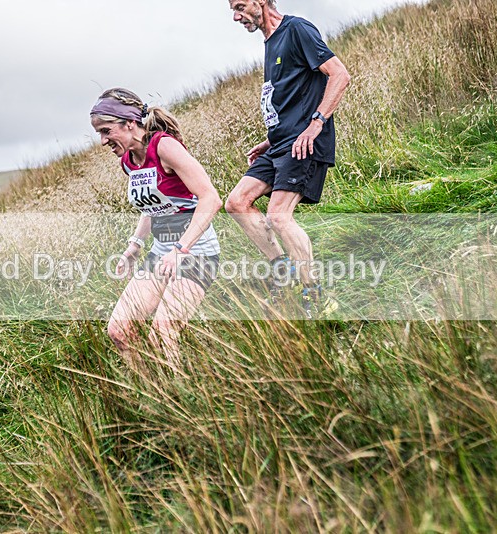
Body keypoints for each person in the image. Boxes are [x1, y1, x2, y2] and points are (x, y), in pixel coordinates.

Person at [225, 0, 351, 318]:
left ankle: (315, 296)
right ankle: (284, 274)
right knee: (237, 202)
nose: (236, 16)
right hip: (280, 144)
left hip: (304, 143)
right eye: (232, 9)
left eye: (239, 6)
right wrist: (269, 141)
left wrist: (316, 124)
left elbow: (339, 75)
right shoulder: (270, 43)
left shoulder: (296, 29)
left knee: (279, 217)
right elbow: (293, 100)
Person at [90, 88, 223, 372]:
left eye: (106, 130)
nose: (102, 141)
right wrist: (133, 248)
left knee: (162, 335)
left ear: (129, 123)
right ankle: (151, 395)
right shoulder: (128, 162)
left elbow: (211, 199)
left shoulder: (164, 146)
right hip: (161, 253)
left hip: (196, 253)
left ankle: (182, 400)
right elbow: (154, 206)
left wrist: (180, 250)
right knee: (119, 331)